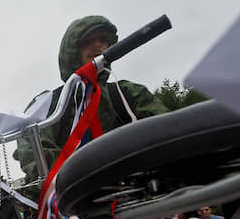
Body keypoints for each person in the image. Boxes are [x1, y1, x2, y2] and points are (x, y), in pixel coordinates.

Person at [15, 15, 167, 193]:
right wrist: (85, 173)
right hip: (72, 206)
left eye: (103, 40)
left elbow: (166, 131)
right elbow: (33, 153)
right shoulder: (49, 103)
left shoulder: (127, 93)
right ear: (72, 50)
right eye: (88, 41)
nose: (98, 45)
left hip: (136, 202)